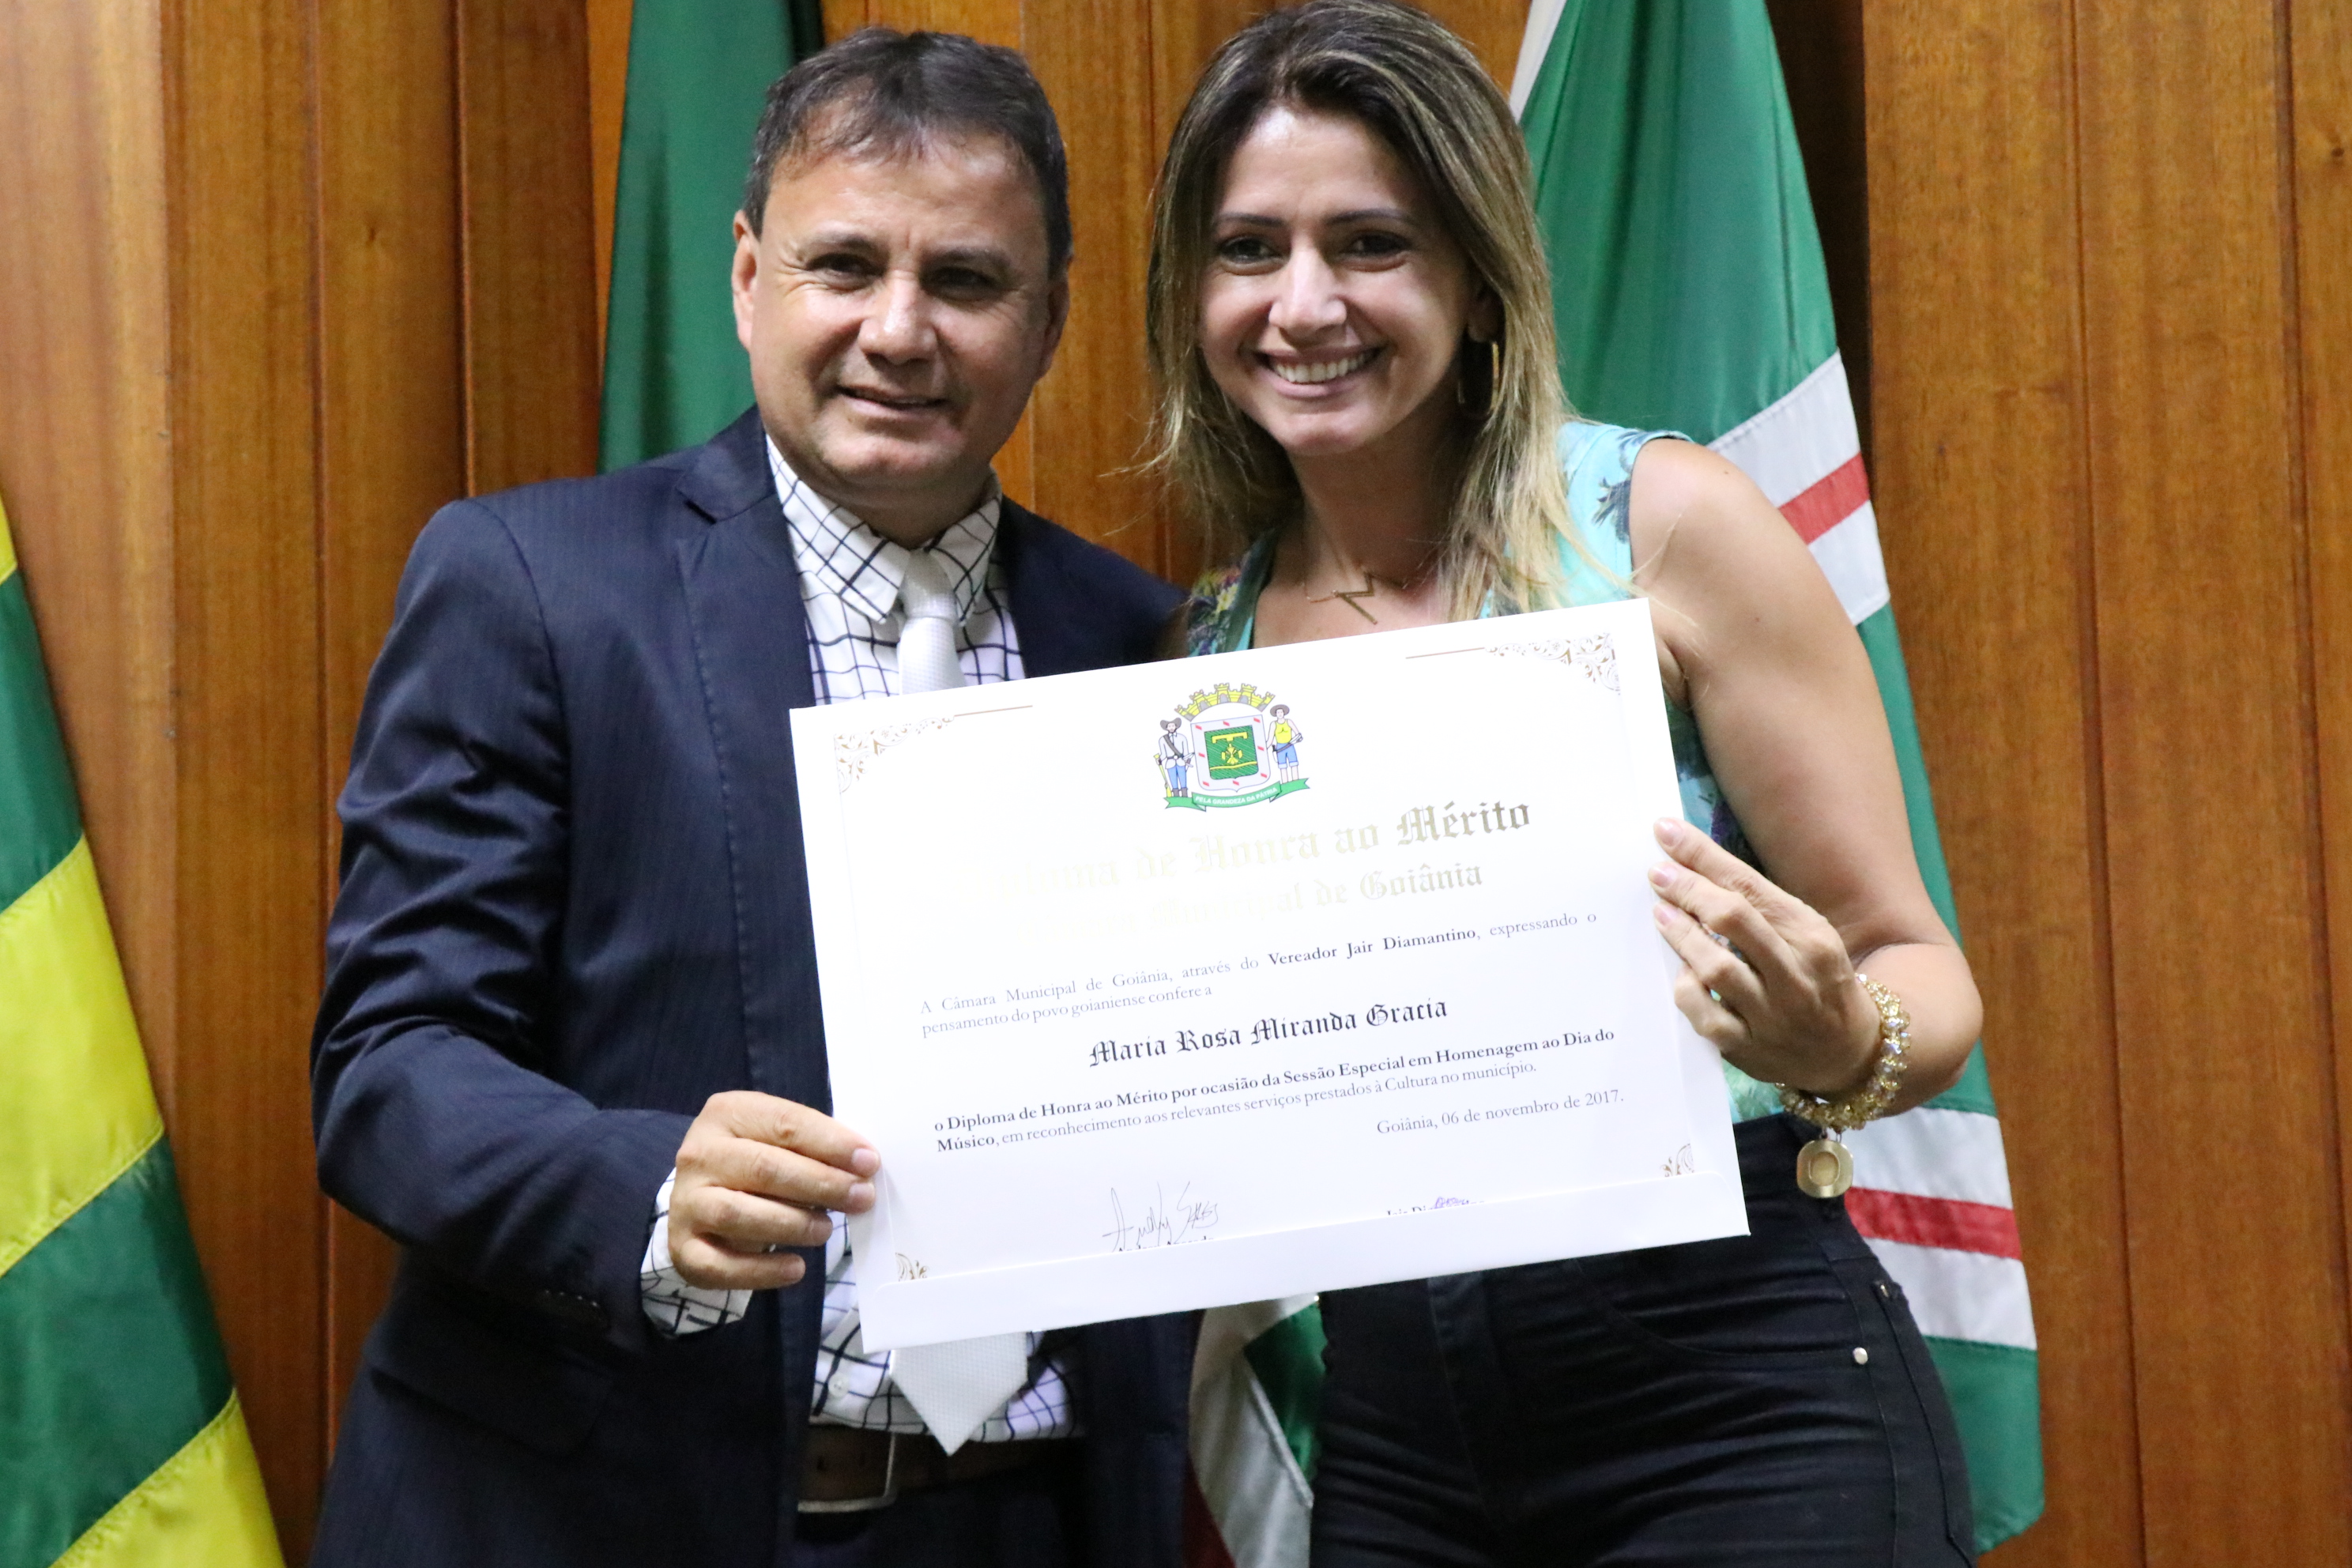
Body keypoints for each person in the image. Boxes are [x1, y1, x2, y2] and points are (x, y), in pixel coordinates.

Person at [310, 29, 1189, 1568]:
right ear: (745, 278)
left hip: (1021, 1521)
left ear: (1050, 317)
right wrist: (648, 1191)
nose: (898, 331)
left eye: (967, 280)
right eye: (842, 265)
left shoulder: (1145, 647)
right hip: (599, 1518)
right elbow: (390, 1066)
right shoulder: (533, 587)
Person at [1148, 2, 1981, 1562]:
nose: (1304, 303)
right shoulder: (1207, 656)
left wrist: (1836, 1042)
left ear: (1477, 279)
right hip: (1398, 1425)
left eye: (1371, 243)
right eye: (1249, 249)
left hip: (1732, 1395)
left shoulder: (1662, 525)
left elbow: (1919, 969)